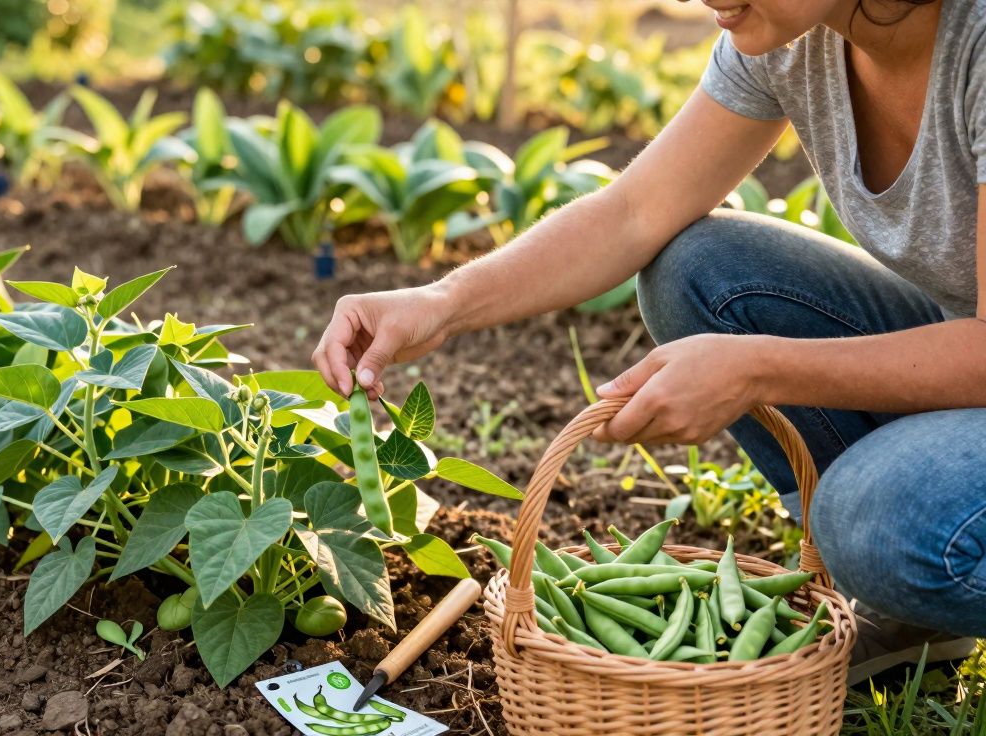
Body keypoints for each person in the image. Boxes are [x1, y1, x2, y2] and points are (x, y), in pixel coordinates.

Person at [312, 0, 984, 683]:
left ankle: (911, 538)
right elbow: (635, 212)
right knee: (697, 270)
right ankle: (917, 604)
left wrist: (757, 370)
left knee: (872, 519)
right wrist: (440, 303)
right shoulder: (795, 36)